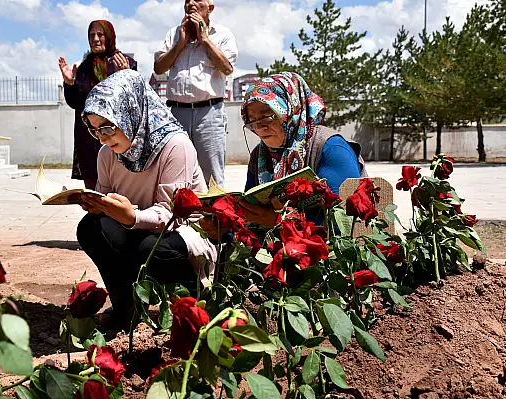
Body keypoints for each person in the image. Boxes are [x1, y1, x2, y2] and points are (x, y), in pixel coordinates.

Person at [76, 70, 215, 327]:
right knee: (90, 229)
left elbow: (174, 215)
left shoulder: (175, 145)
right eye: (95, 131)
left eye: (107, 127)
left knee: (154, 249)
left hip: (179, 232)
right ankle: (126, 307)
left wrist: (133, 216)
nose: (103, 138)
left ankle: (196, 304)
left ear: (131, 114)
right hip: (138, 227)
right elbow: (106, 198)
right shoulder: (107, 154)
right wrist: (97, 205)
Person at [203, 72, 367, 233]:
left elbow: (344, 223)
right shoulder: (260, 156)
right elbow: (251, 215)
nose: (259, 127)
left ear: (291, 111)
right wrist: (222, 231)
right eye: (251, 120)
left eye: (267, 116)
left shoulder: (331, 149)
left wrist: (280, 221)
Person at [153, 0, 237, 187]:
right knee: (177, 172)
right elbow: (159, 68)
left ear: (210, 8)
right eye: (187, 0)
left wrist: (205, 40)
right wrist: (180, 44)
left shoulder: (222, 34)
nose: (191, 3)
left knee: (212, 177)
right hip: (177, 113)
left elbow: (227, 68)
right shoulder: (174, 34)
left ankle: (214, 216)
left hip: (209, 114)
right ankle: (184, 216)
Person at [58, 20, 137, 190]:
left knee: (120, 185)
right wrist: (70, 83)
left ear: (109, 36)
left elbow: (134, 100)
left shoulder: (125, 63)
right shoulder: (83, 68)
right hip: (89, 137)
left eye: (100, 34)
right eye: (92, 35)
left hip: (116, 134)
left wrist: (126, 75)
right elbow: (74, 103)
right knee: (94, 190)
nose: (96, 39)